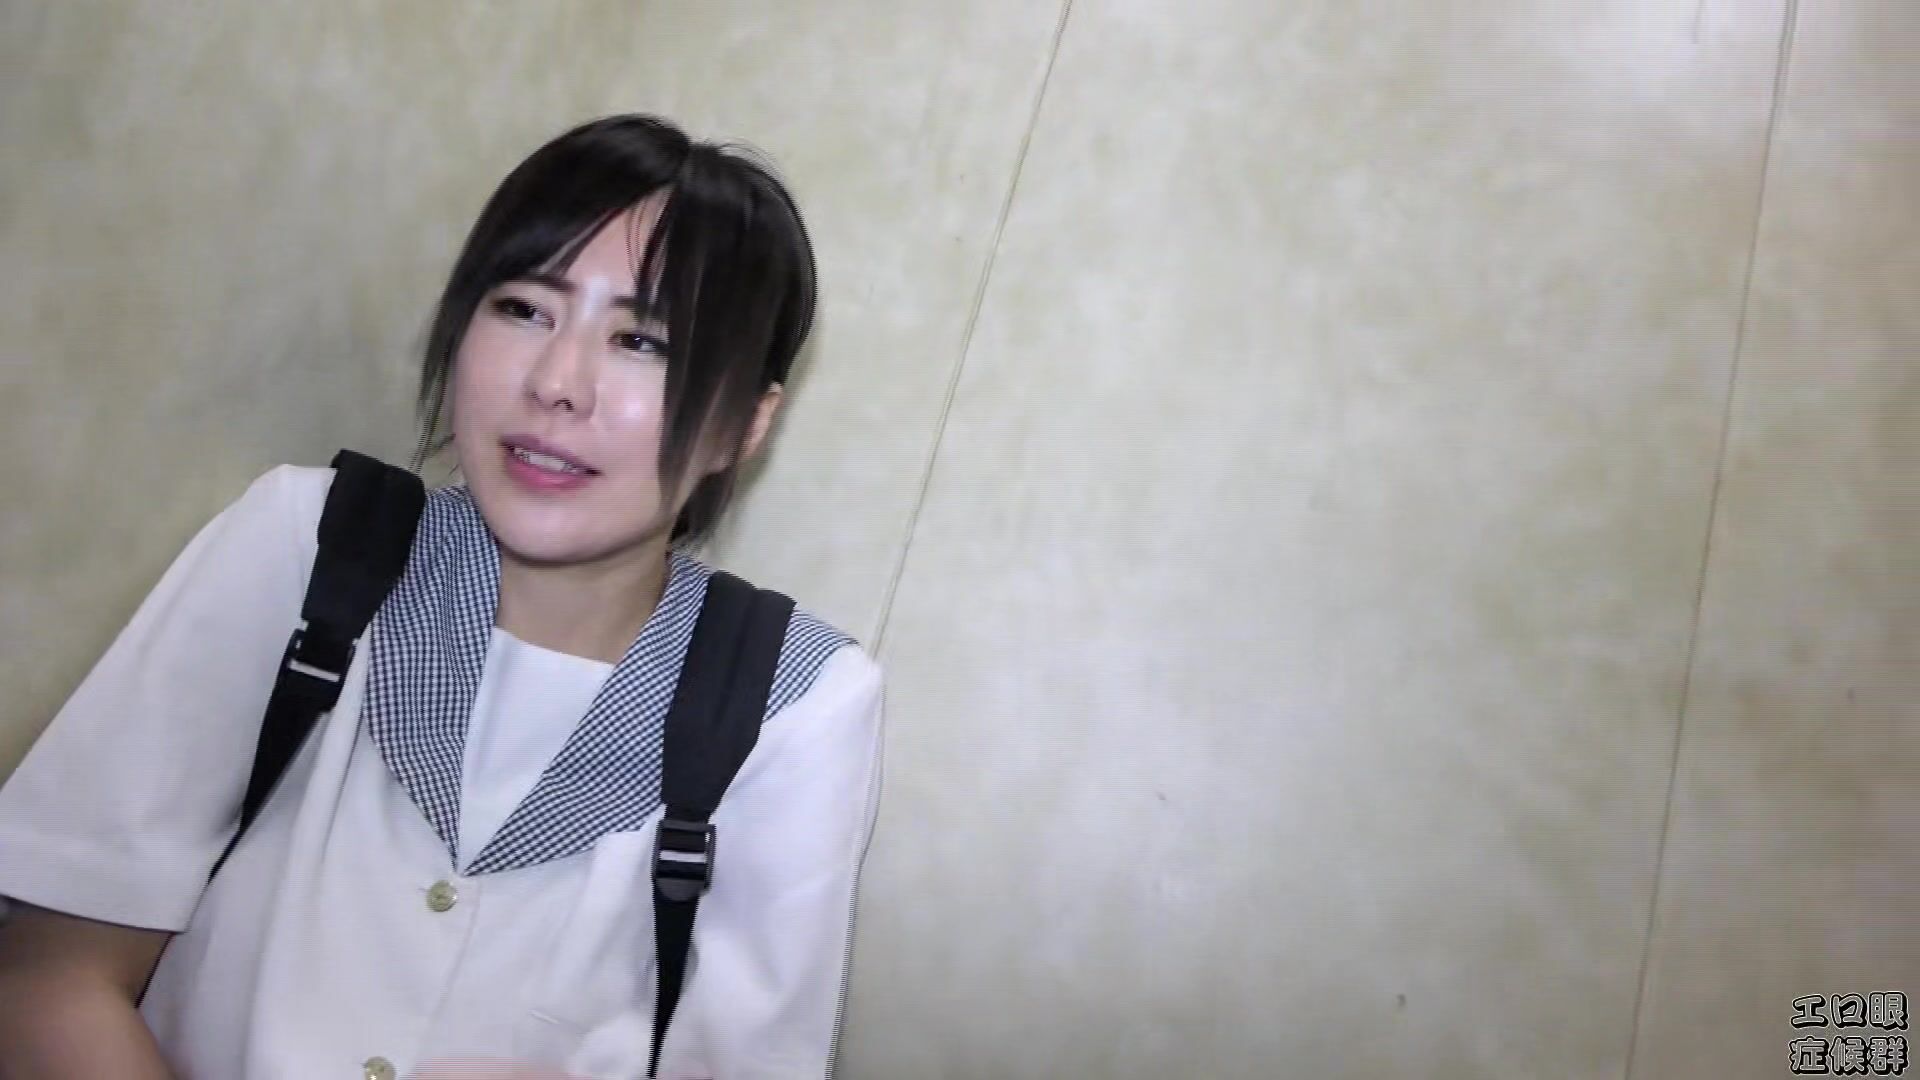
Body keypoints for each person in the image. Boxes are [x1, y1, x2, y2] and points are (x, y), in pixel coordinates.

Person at [0, 114, 885, 1080]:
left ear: (743, 425)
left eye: (642, 339)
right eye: (524, 309)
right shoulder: (307, 543)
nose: (557, 383)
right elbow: (48, 980)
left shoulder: (796, 702)